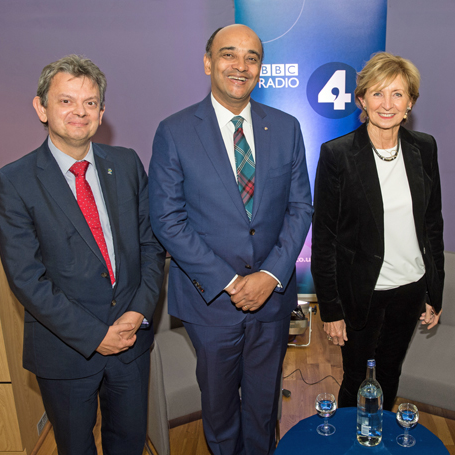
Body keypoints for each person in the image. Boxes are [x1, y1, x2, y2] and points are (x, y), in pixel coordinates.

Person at [148, 25, 312, 454]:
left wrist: (270, 275)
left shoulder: (287, 127)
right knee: (219, 409)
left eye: (251, 57)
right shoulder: (174, 131)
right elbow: (167, 219)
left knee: (263, 405)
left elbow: (300, 209)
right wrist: (231, 281)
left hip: (272, 300)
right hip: (211, 301)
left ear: (260, 68)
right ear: (208, 63)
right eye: (228, 54)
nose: (240, 66)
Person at [0, 55, 165, 455]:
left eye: (89, 102)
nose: (79, 112)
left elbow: (151, 247)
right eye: (66, 101)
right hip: (65, 351)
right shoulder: (13, 181)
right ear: (41, 108)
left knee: (129, 444)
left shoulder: (127, 165)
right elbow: (26, 278)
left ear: (101, 113)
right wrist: (96, 336)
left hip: (131, 342)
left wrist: (137, 314)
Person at [312, 52, 445, 410]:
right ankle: (346, 446)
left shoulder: (425, 148)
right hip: (361, 293)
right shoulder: (337, 154)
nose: (387, 104)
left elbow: (433, 224)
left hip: (411, 289)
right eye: (377, 93)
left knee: (389, 372)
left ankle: (378, 443)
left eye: (398, 94)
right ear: (361, 100)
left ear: (410, 102)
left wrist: (435, 290)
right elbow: (324, 238)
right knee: (356, 378)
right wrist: (331, 309)